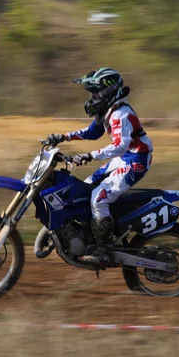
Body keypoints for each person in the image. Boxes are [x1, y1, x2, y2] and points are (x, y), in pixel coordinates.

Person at [45, 67, 153, 265]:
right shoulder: (108, 111)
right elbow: (91, 132)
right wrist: (63, 137)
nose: (93, 97)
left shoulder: (121, 114)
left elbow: (120, 146)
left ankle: (105, 251)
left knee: (98, 198)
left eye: (96, 93)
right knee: (85, 189)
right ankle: (89, 235)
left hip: (136, 160)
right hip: (126, 158)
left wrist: (89, 155)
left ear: (108, 92)